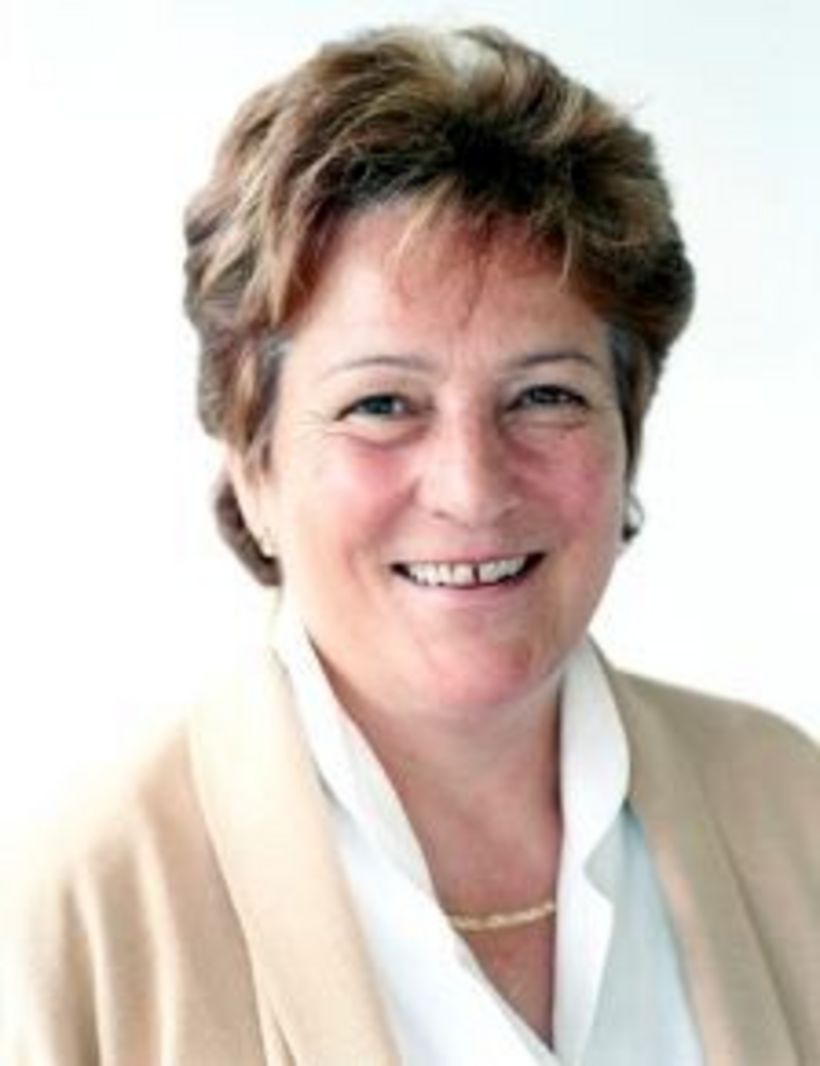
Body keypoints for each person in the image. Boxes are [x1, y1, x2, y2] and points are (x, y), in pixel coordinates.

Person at [3, 24, 818, 1066]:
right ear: (253, 465)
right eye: (382, 403)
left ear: (629, 433)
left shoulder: (792, 808)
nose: (472, 489)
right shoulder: (66, 924)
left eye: (545, 396)